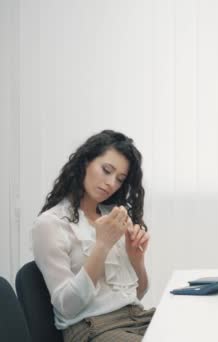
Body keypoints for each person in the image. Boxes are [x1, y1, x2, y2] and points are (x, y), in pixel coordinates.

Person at [32, 130, 154, 342]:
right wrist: (102, 245)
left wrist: (137, 261)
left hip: (135, 318)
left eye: (119, 179)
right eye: (106, 170)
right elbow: (67, 307)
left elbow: (138, 294)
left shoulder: (112, 217)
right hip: (92, 328)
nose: (111, 184)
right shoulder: (50, 224)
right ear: (85, 162)